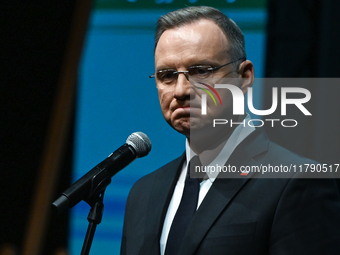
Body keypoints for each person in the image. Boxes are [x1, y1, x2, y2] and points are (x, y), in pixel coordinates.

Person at [120, 6, 340, 255]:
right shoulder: (143, 193)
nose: (181, 90)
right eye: (167, 75)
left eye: (201, 71)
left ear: (244, 77)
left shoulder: (295, 181)